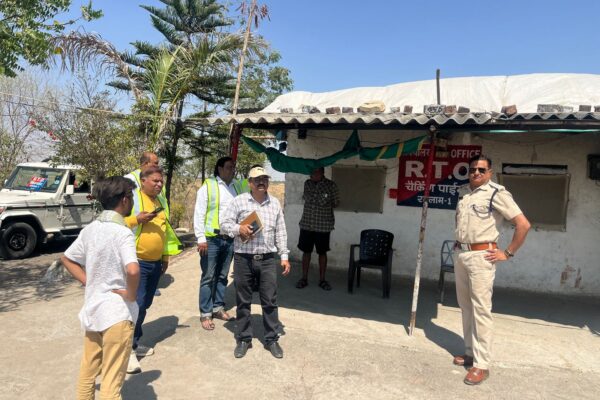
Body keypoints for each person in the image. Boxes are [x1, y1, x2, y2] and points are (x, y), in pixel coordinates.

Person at [453, 154, 531, 385]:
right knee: (466, 307)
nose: (476, 173)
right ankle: (470, 353)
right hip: (462, 254)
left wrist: (507, 253)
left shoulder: (497, 193)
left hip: (481, 256)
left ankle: (482, 365)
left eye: (481, 169)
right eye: (472, 169)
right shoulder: (464, 193)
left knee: (481, 310)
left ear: (489, 172)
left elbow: (523, 224)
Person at [61, 177, 140, 399]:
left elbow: (67, 259)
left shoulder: (90, 229)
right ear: (124, 200)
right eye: (131, 196)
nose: (132, 200)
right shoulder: (123, 232)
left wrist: (90, 281)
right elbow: (133, 270)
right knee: (111, 383)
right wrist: (131, 294)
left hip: (94, 310)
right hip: (117, 314)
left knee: (87, 373)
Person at [220, 166, 291, 359]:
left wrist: (284, 256)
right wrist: (239, 229)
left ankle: (271, 339)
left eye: (264, 179)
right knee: (243, 301)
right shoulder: (239, 201)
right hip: (243, 259)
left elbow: (280, 231)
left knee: (270, 300)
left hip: (267, 260)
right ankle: (244, 338)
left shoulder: (274, 203)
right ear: (249, 183)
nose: (261, 182)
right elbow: (223, 225)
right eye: (257, 179)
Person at [124, 166, 182, 373]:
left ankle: (135, 342)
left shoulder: (159, 202)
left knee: (145, 304)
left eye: (161, 181)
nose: (159, 184)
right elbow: (116, 223)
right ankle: (127, 351)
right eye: (155, 181)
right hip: (136, 261)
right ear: (143, 181)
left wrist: (165, 256)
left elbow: (164, 232)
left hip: (155, 262)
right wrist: (136, 219)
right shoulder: (132, 199)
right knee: (136, 306)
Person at [193, 157, 246, 330]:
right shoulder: (208, 186)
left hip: (230, 239)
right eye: (229, 167)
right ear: (220, 168)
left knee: (223, 276)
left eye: (234, 167)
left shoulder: (236, 187)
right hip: (211, 239)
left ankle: (217, 308)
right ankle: (205, 313)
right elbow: (199, 213)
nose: (233, 170)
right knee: (208, 277)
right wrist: (200, 238)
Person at [296, 167, 339, 291]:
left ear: (321, 173)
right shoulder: (308, 183)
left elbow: (336, 202)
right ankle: (304, 278)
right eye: (311, 173)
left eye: (315, 173)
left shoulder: (331, 185)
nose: (312, 175)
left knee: (322, 252)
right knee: (306, 252)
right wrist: (323, 199)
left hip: (323, 226)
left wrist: (326, 201)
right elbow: (307, 197)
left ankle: (322, 280)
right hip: (307, 224)